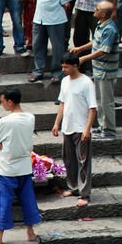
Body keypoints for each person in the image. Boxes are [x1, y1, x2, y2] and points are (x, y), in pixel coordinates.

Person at [0, 88, 40, 244]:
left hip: (6, 169)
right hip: (24, 167)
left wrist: (1, 143)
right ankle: (30, 231)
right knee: (28, 199)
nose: (2, 104)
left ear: (10, 102)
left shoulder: (5, 121)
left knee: (4, 201)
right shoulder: (30, 117)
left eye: (3, 101)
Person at [51, 54, 97, 207]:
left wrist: (87, 129)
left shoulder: (86, 83)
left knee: (83, 161)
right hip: (68, 127)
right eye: (62, 66)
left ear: (75, 66)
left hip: (81, 128)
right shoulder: (64, 82)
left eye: (66, 67)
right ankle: (73, 186)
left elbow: (92, 109)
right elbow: (62, 104)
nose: (63, 69)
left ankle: (85, 193)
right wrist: (57, 123)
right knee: (69, 160)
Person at [71, 1, 119, 140]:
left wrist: (83, 59)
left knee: (106, 102)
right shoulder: (101, 25)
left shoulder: (110, 29)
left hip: (106, 71)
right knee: (99, 100)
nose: (94, 10)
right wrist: (81, 49)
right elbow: (95, 42)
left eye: (97, 9)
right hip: (98, 70)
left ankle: (109, 130)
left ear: (103, 14)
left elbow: (103, 50)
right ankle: (103, 126)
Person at [29, 0, 80, 84]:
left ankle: (58, 72)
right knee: (38, 45)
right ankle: (38, 71)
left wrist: (63, 0)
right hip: (39, 16)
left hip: (56, 17)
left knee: (57, 47)